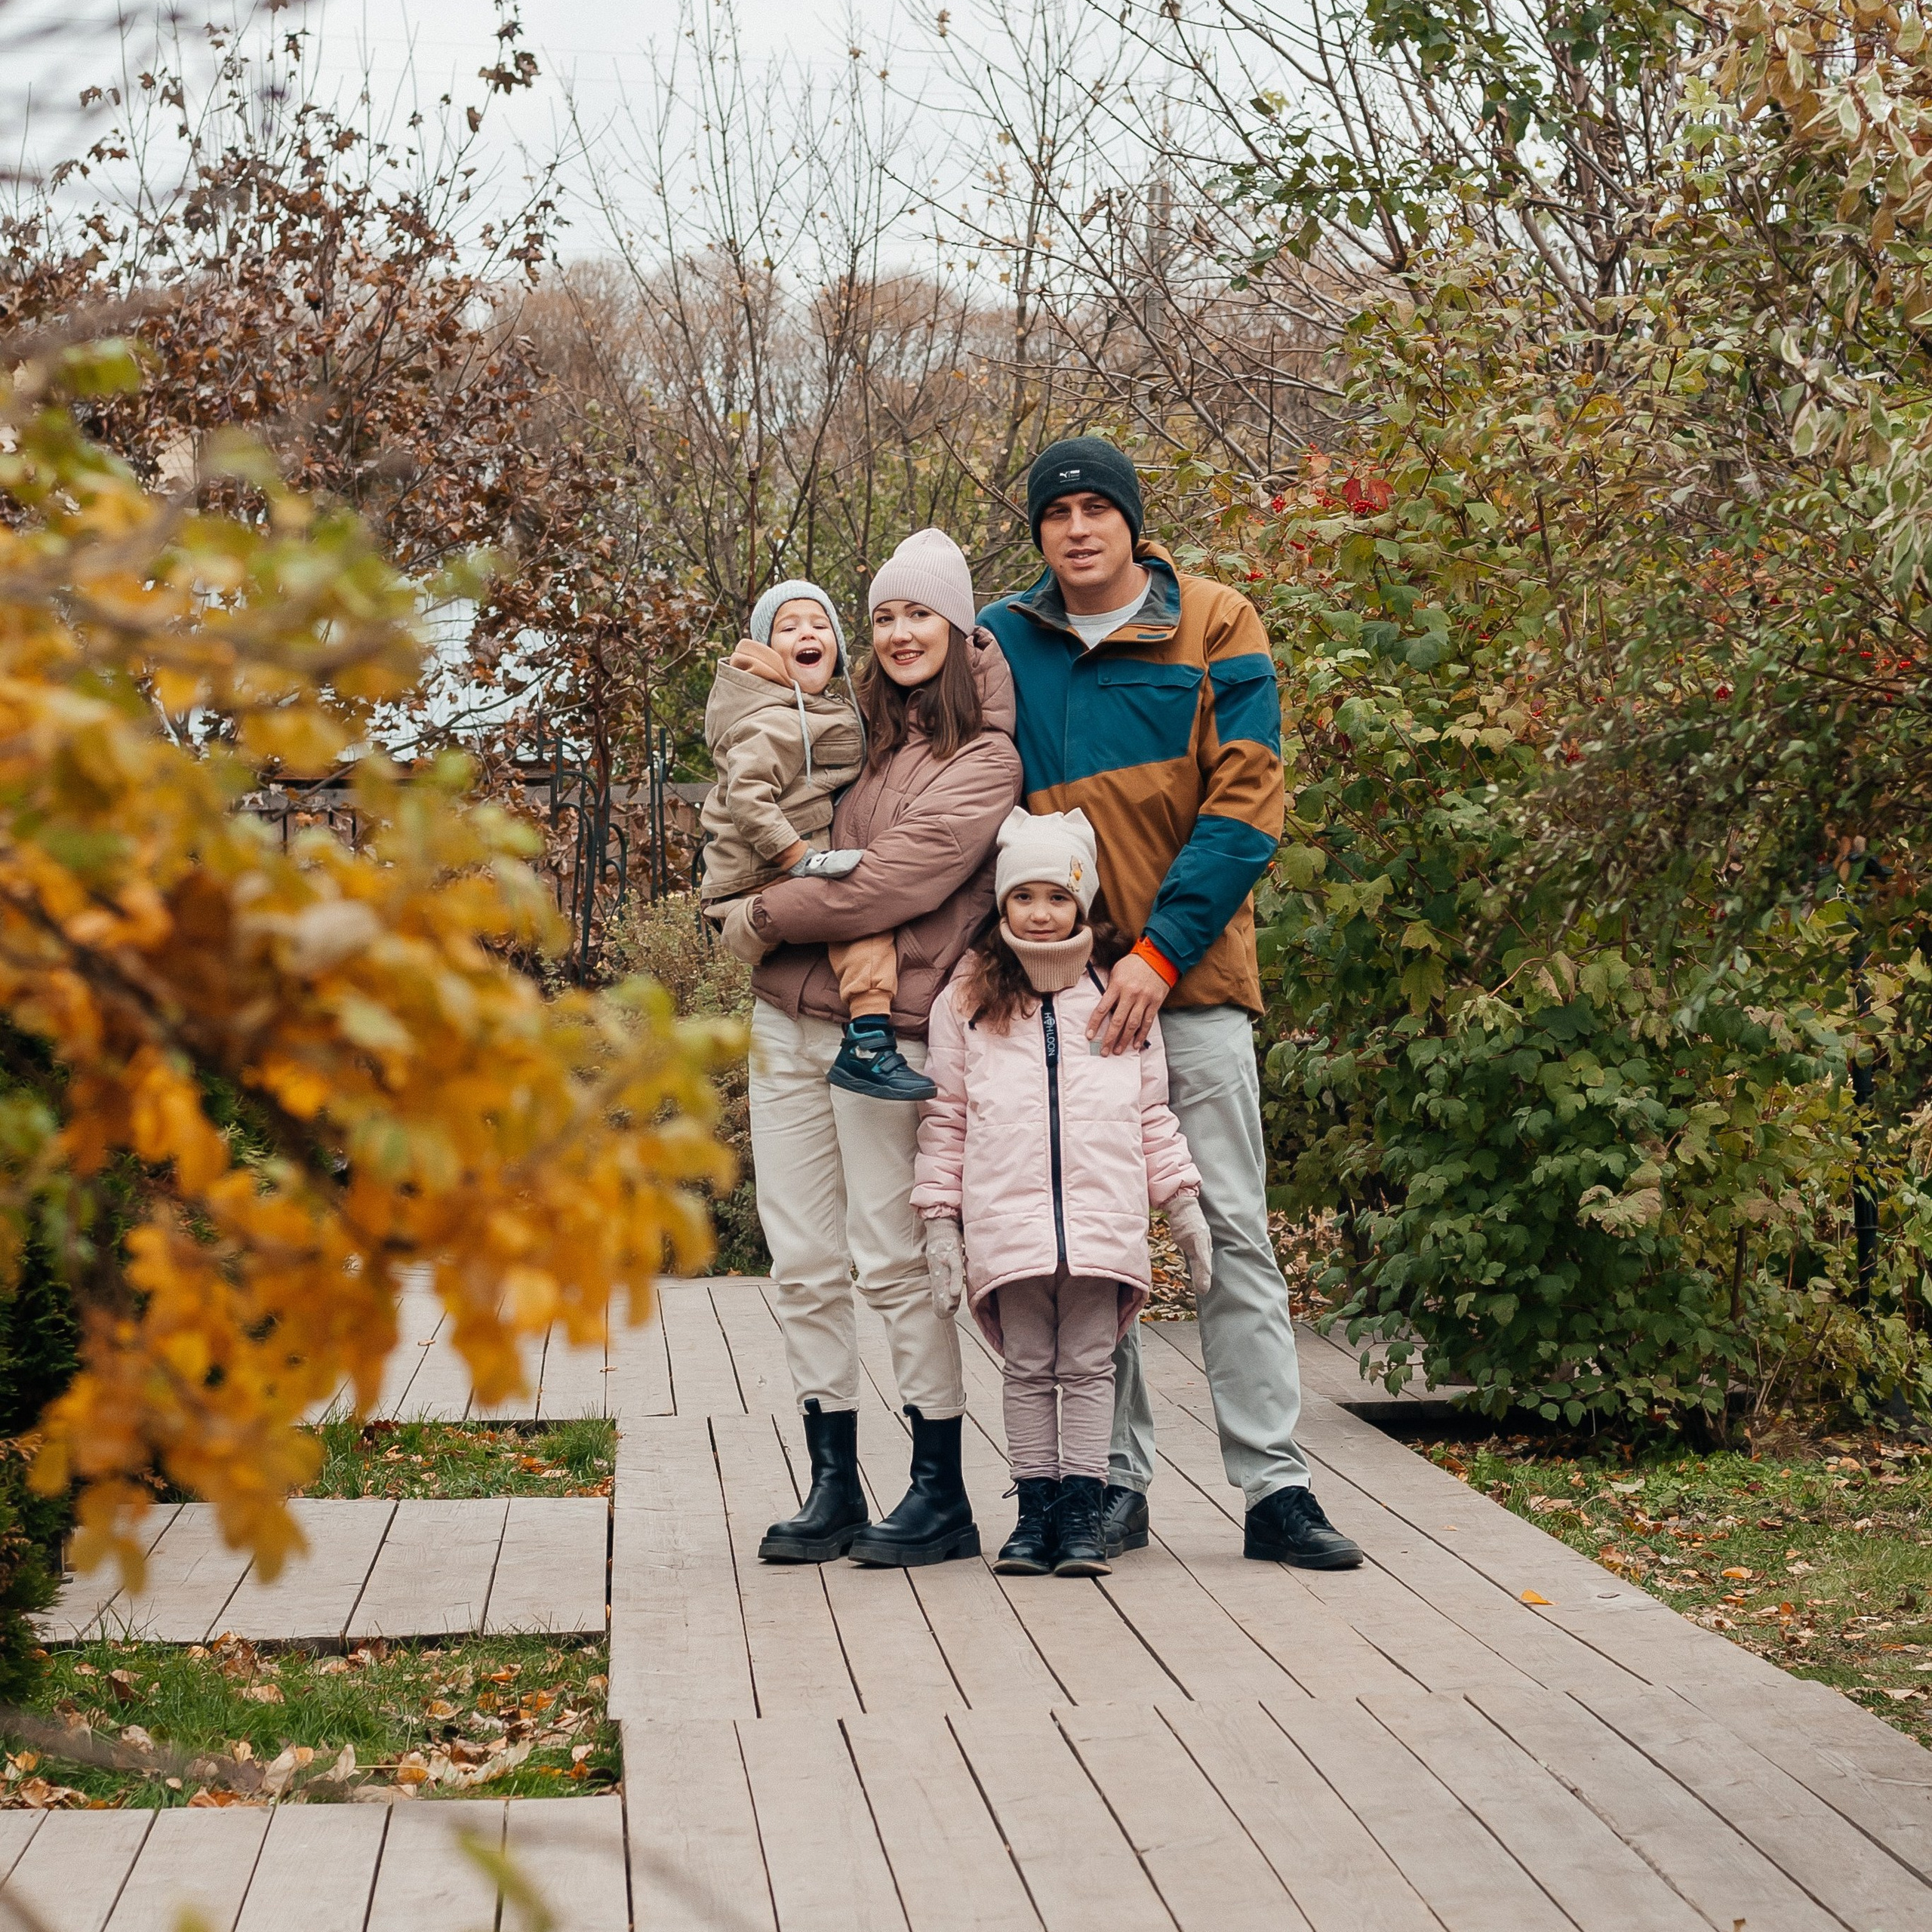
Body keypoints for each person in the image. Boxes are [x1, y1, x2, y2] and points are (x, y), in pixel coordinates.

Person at [977, 435, 1364, 1570]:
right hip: (1066, 1000)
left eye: (1100, 508)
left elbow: (1248, 801)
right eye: (1058, 513)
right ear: (1040, 531)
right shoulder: (1006, 638)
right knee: (1090, 1241)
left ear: (1132, 522)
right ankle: (1113, 1485)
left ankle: (1276, 1489)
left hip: (1186, 986)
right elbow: (916, 731)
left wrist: (1157, 956)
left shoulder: (1217, 620)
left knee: (1230, 1230)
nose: (1079, 528)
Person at [718, 528, 1024, 1567]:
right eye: (884, 615)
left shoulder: (987, 760)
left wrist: (759, 918)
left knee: (892, 1260)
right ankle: (834, 1485)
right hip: (785, 1022)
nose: (897, 633)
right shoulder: (857, 739)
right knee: (803, 1261)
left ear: (957, 626)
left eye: (917, 614)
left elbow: (893, 882)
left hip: (882, 1033)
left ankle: (939, 1491)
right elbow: (759, 807)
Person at [913, 807, 1212, 1577]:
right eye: (1024, 897)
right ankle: (1034, 1508)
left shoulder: (1118, 995)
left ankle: (1082, 1507)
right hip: (1004, 1224)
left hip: (1101, 1222)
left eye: (1057, 897)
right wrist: (941, 1223)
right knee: (1025, 1366)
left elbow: (1151, 1112)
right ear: (1002, 904)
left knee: (1085, 1364)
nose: (1040, 913)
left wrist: (1181, 1205)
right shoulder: (968, 1000)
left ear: (1082, 903)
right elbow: (945, 1118)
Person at [698, 580, 928, 1101]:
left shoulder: (812, 706)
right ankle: (870, 1041)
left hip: (764, 866)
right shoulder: (771, 720)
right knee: (861, 917)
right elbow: (747, 796)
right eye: (790, 626)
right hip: (762, 867)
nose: (808, 633)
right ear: (764, 649)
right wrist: (798, 856)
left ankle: (867, 1036)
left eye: (820, 625)